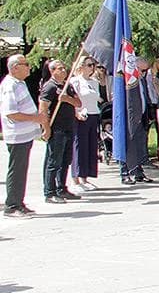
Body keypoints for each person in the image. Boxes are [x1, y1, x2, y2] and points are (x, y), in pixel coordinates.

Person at [2, 55, 46, 217]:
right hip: (17, 136)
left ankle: (19, 202)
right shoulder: (10, 85)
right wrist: (35, 118)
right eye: (25, 64)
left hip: (24, 135)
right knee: (17, 169)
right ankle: (12, 205)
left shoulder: (19, 83)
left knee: (22, 169)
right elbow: (11, 113)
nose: (29, 67)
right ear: (14, 68)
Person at [38, 60, 81, 204]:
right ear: (52, 71)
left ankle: (61, 187)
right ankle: (49, 192)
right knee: (53, 161)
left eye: (64, 68)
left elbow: (78, 103)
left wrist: (66, 99)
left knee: (65, 160)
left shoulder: (67, 86)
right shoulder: (49, 87)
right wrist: (46, 128)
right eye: (60, 68)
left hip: (69, 126)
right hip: (57, 128)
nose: (63, 71)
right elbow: (43, 108)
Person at [68, 58, 101, 191]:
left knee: (90, 146)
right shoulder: (75, 81)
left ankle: (85, 177)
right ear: (81, 66)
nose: (92, 68)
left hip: (93, 114)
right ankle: (75, 179)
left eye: (93, 65)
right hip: (81, 115)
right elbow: (74, 99)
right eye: (89, 65)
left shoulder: (94, 82)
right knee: (79, 146)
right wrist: (76, 113)